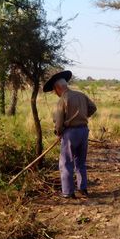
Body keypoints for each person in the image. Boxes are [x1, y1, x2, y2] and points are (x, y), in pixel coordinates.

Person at [43, 70, 97, 198]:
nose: (55, 93)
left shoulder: (63, 99)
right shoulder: (81, 95)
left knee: (66, 163)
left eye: (54, 90)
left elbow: (59, 121)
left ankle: (68, 192)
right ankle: (83, 189)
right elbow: (93, 108)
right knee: (80, 161)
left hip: (71, 133)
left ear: (58, 88)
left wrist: (58, 132)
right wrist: (82, 116)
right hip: (84, 131)